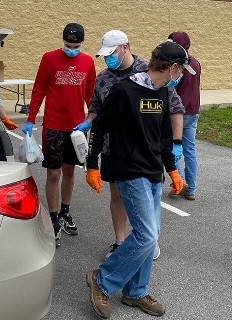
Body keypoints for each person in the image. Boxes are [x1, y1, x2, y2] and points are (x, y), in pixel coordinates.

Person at [85, 41, 194, 319]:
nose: (181, 75)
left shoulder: (164, 94)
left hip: (152, 171)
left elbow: (163, 137)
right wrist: (91, 165)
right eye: (181, 69)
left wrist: (172, 169)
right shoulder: (125, 90)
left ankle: (135, 292)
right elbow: (99, 126)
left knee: (150, 235)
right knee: (147, 236)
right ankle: (103, 280)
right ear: (171, 67)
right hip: (128, 171)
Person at [75, 30, 186, 260]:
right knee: (117, 195)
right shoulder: (104, 78)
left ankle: (143, 241)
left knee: (144, 200)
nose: (107, 59)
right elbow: (96, 110)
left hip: (147, 151)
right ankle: (121, 241)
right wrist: (87, 124)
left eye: (111, 53)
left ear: (125, 48)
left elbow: (173, 107)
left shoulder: (151, 71)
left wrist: (176, 143)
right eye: (104, 55)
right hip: (112, 149)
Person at [21, 23, 96, 247]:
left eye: (75, 45)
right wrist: (30, 118)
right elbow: (39, 89)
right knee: (53, 174)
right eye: (67, 44)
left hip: (76, 129)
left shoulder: (88, 62)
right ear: (62, 41)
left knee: (70, 171)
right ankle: (53, 219)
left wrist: (91, 120)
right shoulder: (49, 58)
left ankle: (65, 212)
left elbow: (91, 94)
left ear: (82, 43)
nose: (71, 48)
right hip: (53, 125)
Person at [167, 32, 201, 200]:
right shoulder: (196, 62)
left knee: (169, 147)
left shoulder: (174, 64)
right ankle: (191, 188)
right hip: (194, 109)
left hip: (178, 113)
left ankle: (180, 182)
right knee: (189, 150)